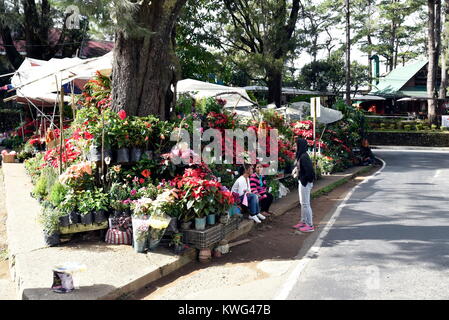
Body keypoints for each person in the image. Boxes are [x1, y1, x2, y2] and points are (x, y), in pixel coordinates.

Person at [292, 138, 315, 232]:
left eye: (295, 145)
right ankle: (303, 221)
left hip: (305, 183)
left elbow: (310, 172)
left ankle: (310, 225)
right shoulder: (301, 155)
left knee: (306, 204)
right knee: (303, 203)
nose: (294, 147)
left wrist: (305, 181)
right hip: (302, 182)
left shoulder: (304, 156)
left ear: (300, 146)